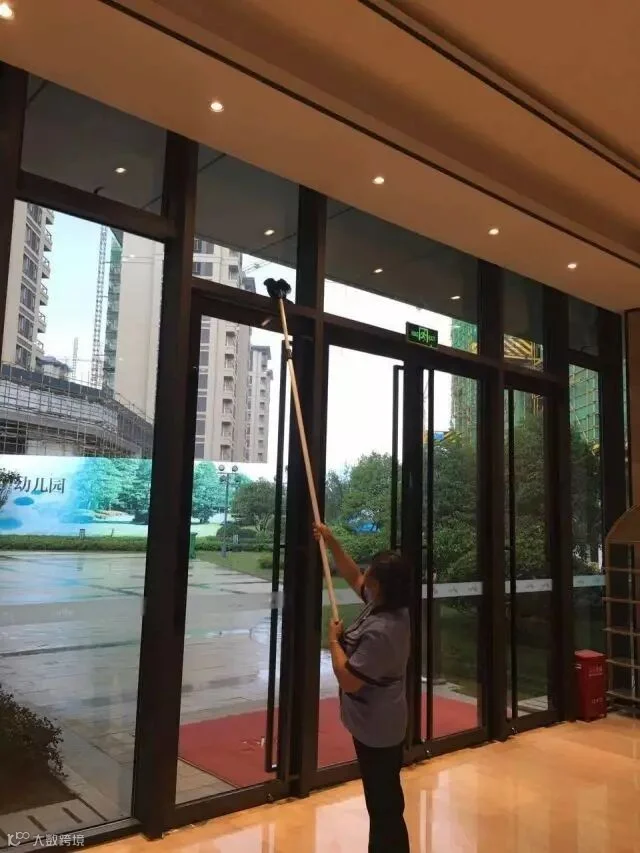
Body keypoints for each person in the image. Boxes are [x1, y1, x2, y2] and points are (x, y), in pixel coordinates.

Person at [313, 522, 412, 853]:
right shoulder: (387, 604)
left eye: (371, 570)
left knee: (384, 806)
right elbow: (352, 574)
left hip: (379, 729)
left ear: (379, 584)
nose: (364, 573)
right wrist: (331, 541)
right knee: (383, 801)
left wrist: (333, 641)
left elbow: (349, 679)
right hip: (379, 724)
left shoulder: (383, 630)